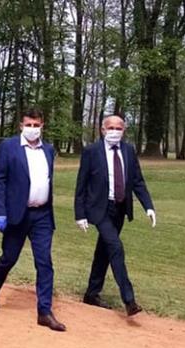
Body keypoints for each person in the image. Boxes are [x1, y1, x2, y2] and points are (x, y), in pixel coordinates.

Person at [0, 108, 66, 332]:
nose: (32, 128)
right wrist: (0, 211)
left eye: (36, 125)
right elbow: (0, 181)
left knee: (44, 262)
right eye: (28, 124)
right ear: (21, 126)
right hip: (17, 214)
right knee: (9, 258)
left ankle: (44, 311)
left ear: (42, 126)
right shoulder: (9, 147)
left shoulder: (48, 150)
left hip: (42, 215)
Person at [74, 115, 156, 316]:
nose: (114, 131)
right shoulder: (92, 151)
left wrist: (148, 206)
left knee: (104, 251)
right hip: (100, 209)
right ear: (103, 130)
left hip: (120, 209)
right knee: (116, 248)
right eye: (110, 128)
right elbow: (81, 185)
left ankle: (91, 293)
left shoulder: (128, 150)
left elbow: (137, 181)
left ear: (123, 131)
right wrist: (80, 214)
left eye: (118, 128)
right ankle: (129, 300)